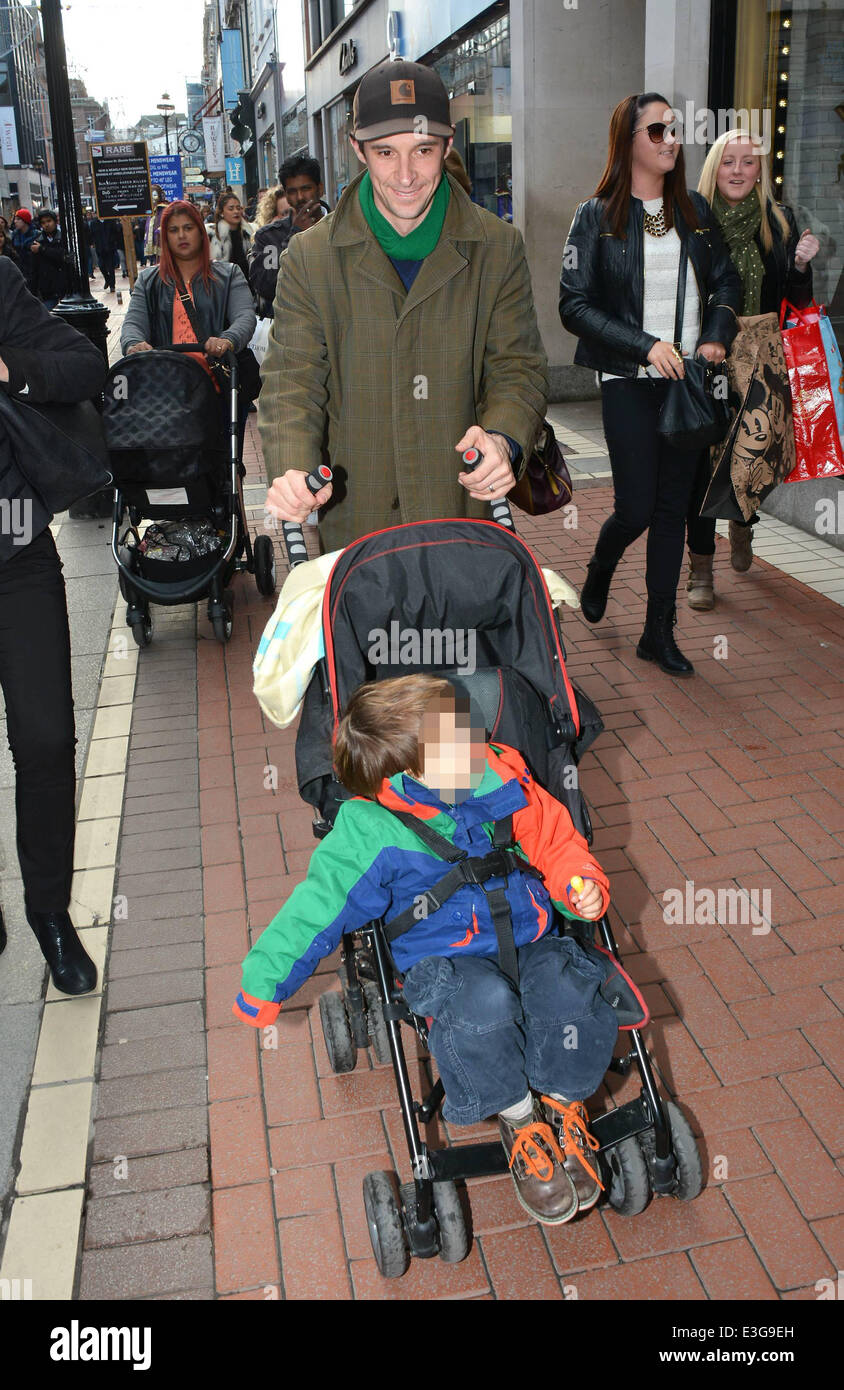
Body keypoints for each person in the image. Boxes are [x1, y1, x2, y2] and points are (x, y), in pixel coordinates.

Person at [233, 674, 616, 1225]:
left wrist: (578, 881)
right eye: (457, 746)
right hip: (446, 959)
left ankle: (563, 1101)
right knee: (481, 1006)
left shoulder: (500, 775)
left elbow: (554, 836)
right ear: (408, 772)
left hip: (529, 936)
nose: (474, 749)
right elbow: (317, 905)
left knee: (570, 987)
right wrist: (265, 978)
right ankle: (519, 1117)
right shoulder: (370, 829)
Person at [261, 59, 547, 552]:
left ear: (448, 146)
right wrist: (293, 466)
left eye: (424, 150)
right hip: (358, 522)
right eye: (386, 151)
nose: (406, 174)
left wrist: (502, 438)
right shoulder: (311, 257)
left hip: (462, 514)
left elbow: (517, 366)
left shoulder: (497, 247)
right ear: (358, 150)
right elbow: (293, 380)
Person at [559, 94, 740, 677]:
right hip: (627, 381)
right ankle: (600, 567)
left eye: (674, 129)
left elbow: (727, 279)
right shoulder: (597, 216)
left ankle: (657, 632)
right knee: (635, 507)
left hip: (688, 382)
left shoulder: (693, 208)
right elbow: (574, 305)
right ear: (629, 140)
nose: (670, 139)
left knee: (671, 510)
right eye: (656, 129)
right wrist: (645, 345)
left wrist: (714, 334)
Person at [0, 258, 107, 987]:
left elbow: (82, 366)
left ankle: (48, 911)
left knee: (44, 740)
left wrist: (8, 368)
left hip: (14, 554)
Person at [685, 129, 820, 604]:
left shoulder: (779, 221)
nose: (738, 170)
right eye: (728, 161)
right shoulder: (692, 219)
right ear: (713, 167)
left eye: (748, 162)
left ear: (761, 170)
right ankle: (701, 573)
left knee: (750, 458)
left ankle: (742, 523)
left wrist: (802, 267)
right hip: (707, 354)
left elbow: (797, 301)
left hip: (762, 356)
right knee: (702, 466)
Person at [121, 199, 257, 452]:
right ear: (165, 237)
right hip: (164, 390)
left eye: (188, 228)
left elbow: (245, 317)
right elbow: (133, 323)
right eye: (173, 230)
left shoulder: (228, 275)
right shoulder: (148, 281)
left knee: (226, 461)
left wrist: (227, 339)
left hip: (217, 387)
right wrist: (133, 344)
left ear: (200, 232)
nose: (181, 235)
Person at [248, 160, 326, 318]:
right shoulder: (268, 236)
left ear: (320, 188)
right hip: (293, 327)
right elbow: (266, 287)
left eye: (306, 189)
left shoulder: (343, 228)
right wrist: (295, 235)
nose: (300, 197)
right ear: (286, 195)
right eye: (292, 191)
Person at [30, 208, 74, 309]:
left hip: (65, 287)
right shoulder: (37, 241)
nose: (46, 225)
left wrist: (42, 249)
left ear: (55, 221)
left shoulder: (64, 238)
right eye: (43, 222)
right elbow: (34, 269)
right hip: (47, 290)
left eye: (49, 221)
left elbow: (65, 257)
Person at [209, 192, 255, 282]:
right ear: (222, 212)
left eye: (238, 208)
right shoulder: (213, 235)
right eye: (231, 209)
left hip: (248, 284)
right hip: (223, 285)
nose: (236, 211)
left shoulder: (249, 233)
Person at [90, 215, 121, 293]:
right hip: (100, 249)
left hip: (110, 248)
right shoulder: (94, 223)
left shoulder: (110, 221)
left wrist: (112, 241)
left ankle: (112, 286)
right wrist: (93, 242)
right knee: (101, 266)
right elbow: (92, 235)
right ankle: (107, 280)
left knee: (111, 268)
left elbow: (116, 232)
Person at [11, 210, 38, 286]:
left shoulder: (36, 234)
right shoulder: (15, 234)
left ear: (25, 220)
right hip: (19, 269)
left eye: (18, 219)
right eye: (15, 219)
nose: (15, 221)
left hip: (33, 269)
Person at [143, 185, 167, 263]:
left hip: (161, 243)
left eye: (155, 195)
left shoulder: (165, 209)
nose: (153, 198)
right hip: (151, 244)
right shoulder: (149, 211)